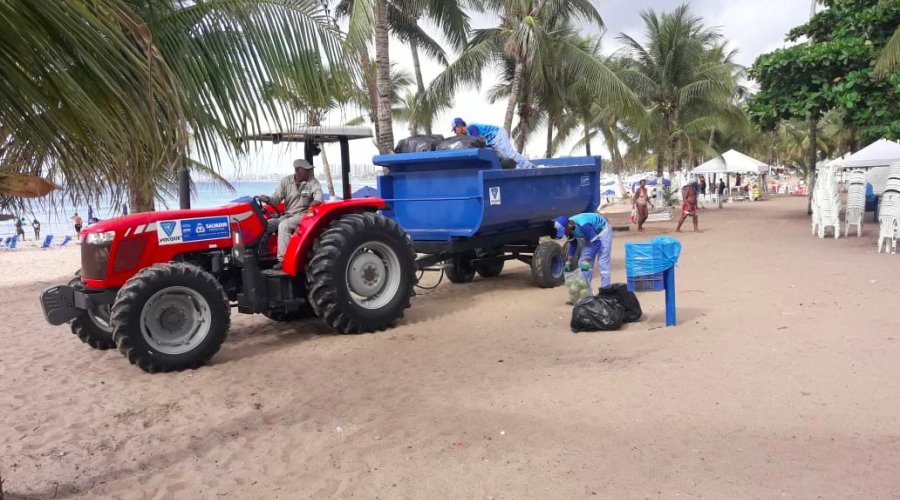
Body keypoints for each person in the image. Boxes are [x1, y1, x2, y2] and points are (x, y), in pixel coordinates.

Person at [259, 159, 324, 270]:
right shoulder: (285, 182)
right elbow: (277, 199)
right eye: (306, 170)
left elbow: (318, 193)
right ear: (297, 171)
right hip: (288, 215)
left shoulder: (312, 182)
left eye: (309, 170)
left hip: (303, 215)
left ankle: (283, 260)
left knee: (284, 225)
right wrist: (268, 199)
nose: (309, 172)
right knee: (264, 224)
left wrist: (317, 200)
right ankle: (261, 255)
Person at [554, 212, 613, 287]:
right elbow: (573, 243)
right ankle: (587, 292)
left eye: (564, 231)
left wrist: (588, 259)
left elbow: (597, 243)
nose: (565, 233)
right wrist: (568, 261)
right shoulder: (568, 228)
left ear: (568, 225)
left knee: (602, 263)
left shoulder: (583, 225)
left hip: (602, 232)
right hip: (590, 235)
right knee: (582, 263)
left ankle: (606, 291)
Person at [451, 117, 534, 169]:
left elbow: (476, 143)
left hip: (497, 135)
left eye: (455, 129)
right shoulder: (466, 134)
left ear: (459, 126)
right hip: (491, 142)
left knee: (509, 154)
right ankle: (520, 168)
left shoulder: (472, 128)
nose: (455, 132)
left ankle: (529, 166)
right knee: (504, 157)